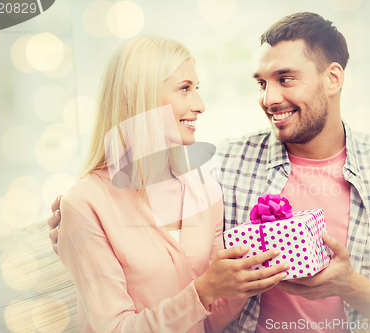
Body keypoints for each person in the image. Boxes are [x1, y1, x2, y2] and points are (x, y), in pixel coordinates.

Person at [49, 12, 370, 333]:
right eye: (262, 83)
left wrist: (352, 286)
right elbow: (134, 193)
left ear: (332, 78)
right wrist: (73, 224)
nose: (268, 99)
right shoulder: (224, 166)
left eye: (285, 79)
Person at [55, 35, 290, 333]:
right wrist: (203, 292)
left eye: (197, 89)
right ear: (135, 96)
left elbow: (211, 324)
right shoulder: (84, 203)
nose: (200, 105)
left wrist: (245, 279)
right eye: (184, 89)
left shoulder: (205, 188)